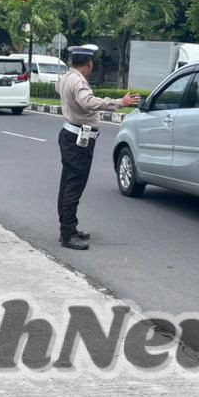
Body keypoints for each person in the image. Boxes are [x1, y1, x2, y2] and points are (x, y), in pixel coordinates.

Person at [55, 45, 142, 250]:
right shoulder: (78, 81)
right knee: (74, 186)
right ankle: (67, 233)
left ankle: (68, 227)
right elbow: (87, 102)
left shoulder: (66, 77)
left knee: (67, 184)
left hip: (70, 134)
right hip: (78, 138)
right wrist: (120, 102)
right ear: (89, 64)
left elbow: (59, 90)